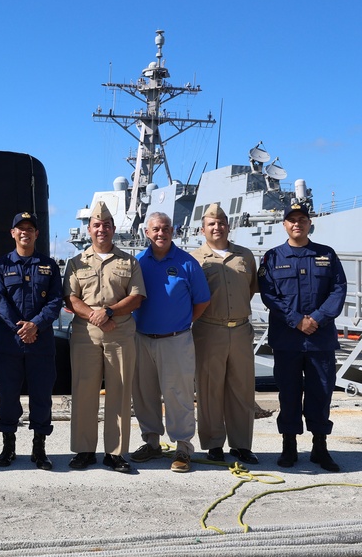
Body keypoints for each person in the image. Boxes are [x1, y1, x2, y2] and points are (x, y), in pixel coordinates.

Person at [259, 203, 347, 472]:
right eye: (292, 220)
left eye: (302, 219)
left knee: (321, 392)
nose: (297, 223)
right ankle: (289, 446)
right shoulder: (273, 257)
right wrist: (297, 320)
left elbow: (338, 290)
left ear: (310, 224)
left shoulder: (326, 255)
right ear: (284, 225)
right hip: (287, 340)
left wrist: (316, 319)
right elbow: (269, 294)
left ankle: (320, 447)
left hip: (320, 340)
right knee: (288, 393)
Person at [63, 201, 145, 474]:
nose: (102, 230)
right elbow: (70, 297)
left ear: (113, 229)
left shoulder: (129, 261)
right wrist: (95, 316)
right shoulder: (76, 263)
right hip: (86, 333)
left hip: (119, 331)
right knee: (84, 391)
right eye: (97, 225)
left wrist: (108, 312)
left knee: (120, 392)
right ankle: (85, 450)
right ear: (89, 229)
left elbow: (136, 297)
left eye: (107, 225)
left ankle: (116, 453)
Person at [130, 212, 210, 473]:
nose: (160, 233)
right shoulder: (138, 262)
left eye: (165, 228)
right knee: (144, 394)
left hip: (176, 340)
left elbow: (202, 301)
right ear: (147, 232)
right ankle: (151, 442)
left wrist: (181, 323)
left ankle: (183, 447)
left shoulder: (188, 264)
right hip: (142, 339)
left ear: (173, 231)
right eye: (155, 229)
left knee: (179, 395)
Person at [0, 212, 64, 469]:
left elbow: (55, 301)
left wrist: (36, 325)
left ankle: (39, 448)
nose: (25, 232)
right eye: (20, 228)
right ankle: (8, 447)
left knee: (41, 397)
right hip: (10, 344)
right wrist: (21, 328)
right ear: (12, 233)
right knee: (8, 397)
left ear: (36, 234)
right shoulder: (0, 266)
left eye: (30, 228)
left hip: (40, 343)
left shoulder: (49, 266)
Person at [191, 202, 260, 464]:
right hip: (209, 330)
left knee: (242, 390)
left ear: (228, 226)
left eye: (221, 223)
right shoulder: (195, 259)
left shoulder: (245, 256)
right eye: (211, 224)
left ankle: (242, 445)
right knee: (209, 390)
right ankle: (213, 444)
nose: (217, 227)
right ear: (203, 229)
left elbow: (250, 288)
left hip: (241, 330)